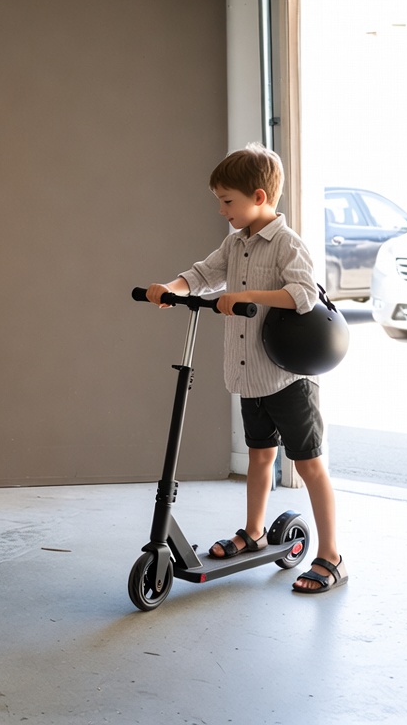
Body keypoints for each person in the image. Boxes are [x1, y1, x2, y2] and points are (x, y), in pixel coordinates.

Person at [145, 143, 346, 594]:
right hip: (250, 376)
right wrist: (171, 288)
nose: (222, 210)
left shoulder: (287, 244)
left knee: (309, 466)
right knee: (260, 456)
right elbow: (204, 274)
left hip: (288, 379)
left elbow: (303, 295)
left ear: (258, 197)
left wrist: (248, 296)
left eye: (227, 201)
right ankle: (254, 532)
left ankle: (332, 555)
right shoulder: (235, 243)